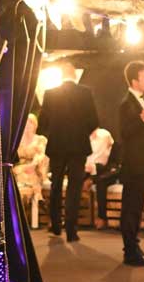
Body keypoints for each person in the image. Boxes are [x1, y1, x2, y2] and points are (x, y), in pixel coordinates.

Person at [37, 70, 100, 242]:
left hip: (57, 145)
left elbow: (42, 123)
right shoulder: (85, 93)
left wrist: (54, 134)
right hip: (78, 146)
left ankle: (56, 224)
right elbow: (94, 120)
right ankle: (72, 230)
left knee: (56, 184)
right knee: (74, 186)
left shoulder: (50, 94)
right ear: (75, 75)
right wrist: (81, 133)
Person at [113, 60, 144, 266]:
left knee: (135, 207)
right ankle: (131, 251)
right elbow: (125, 133)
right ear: (134, 81)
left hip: (141, 165)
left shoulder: (141, 102)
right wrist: (143, 119)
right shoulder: (127, 103)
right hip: (134, 165)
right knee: (131, 208)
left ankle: (134, 249)